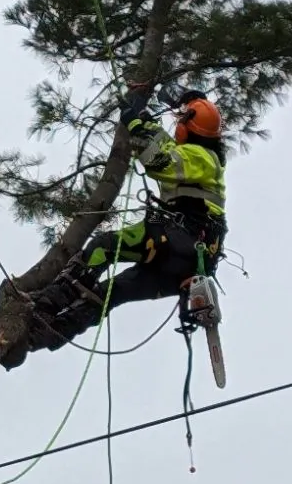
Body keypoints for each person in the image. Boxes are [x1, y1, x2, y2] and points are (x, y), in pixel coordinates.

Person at [25, 86, 228, 353]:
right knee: (115, 291)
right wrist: (144, 119)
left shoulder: (201, 157)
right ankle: (43, 337)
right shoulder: (201, 156)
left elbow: (158, 159)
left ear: (188, 128)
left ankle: (47, 306)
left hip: (180, 239)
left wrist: (133, 123)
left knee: (102, 247)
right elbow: (166, 145)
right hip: (185, 265)